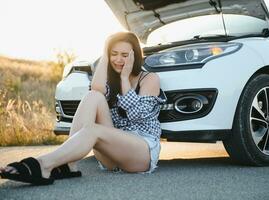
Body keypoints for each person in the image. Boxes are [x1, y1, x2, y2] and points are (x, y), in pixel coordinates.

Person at [0, 32, 166, 185]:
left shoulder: (149, 79)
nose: (118, 59)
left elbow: (137, 114)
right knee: (93, 96)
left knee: (92, 130)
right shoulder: (110, 79)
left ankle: (42, 165)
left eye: (124, 55)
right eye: (113, 54)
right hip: (112, 152)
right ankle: (69, 165)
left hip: (141, 153)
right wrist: (106, 47)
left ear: (135, 55)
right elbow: (97, 88)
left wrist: (124, 79)